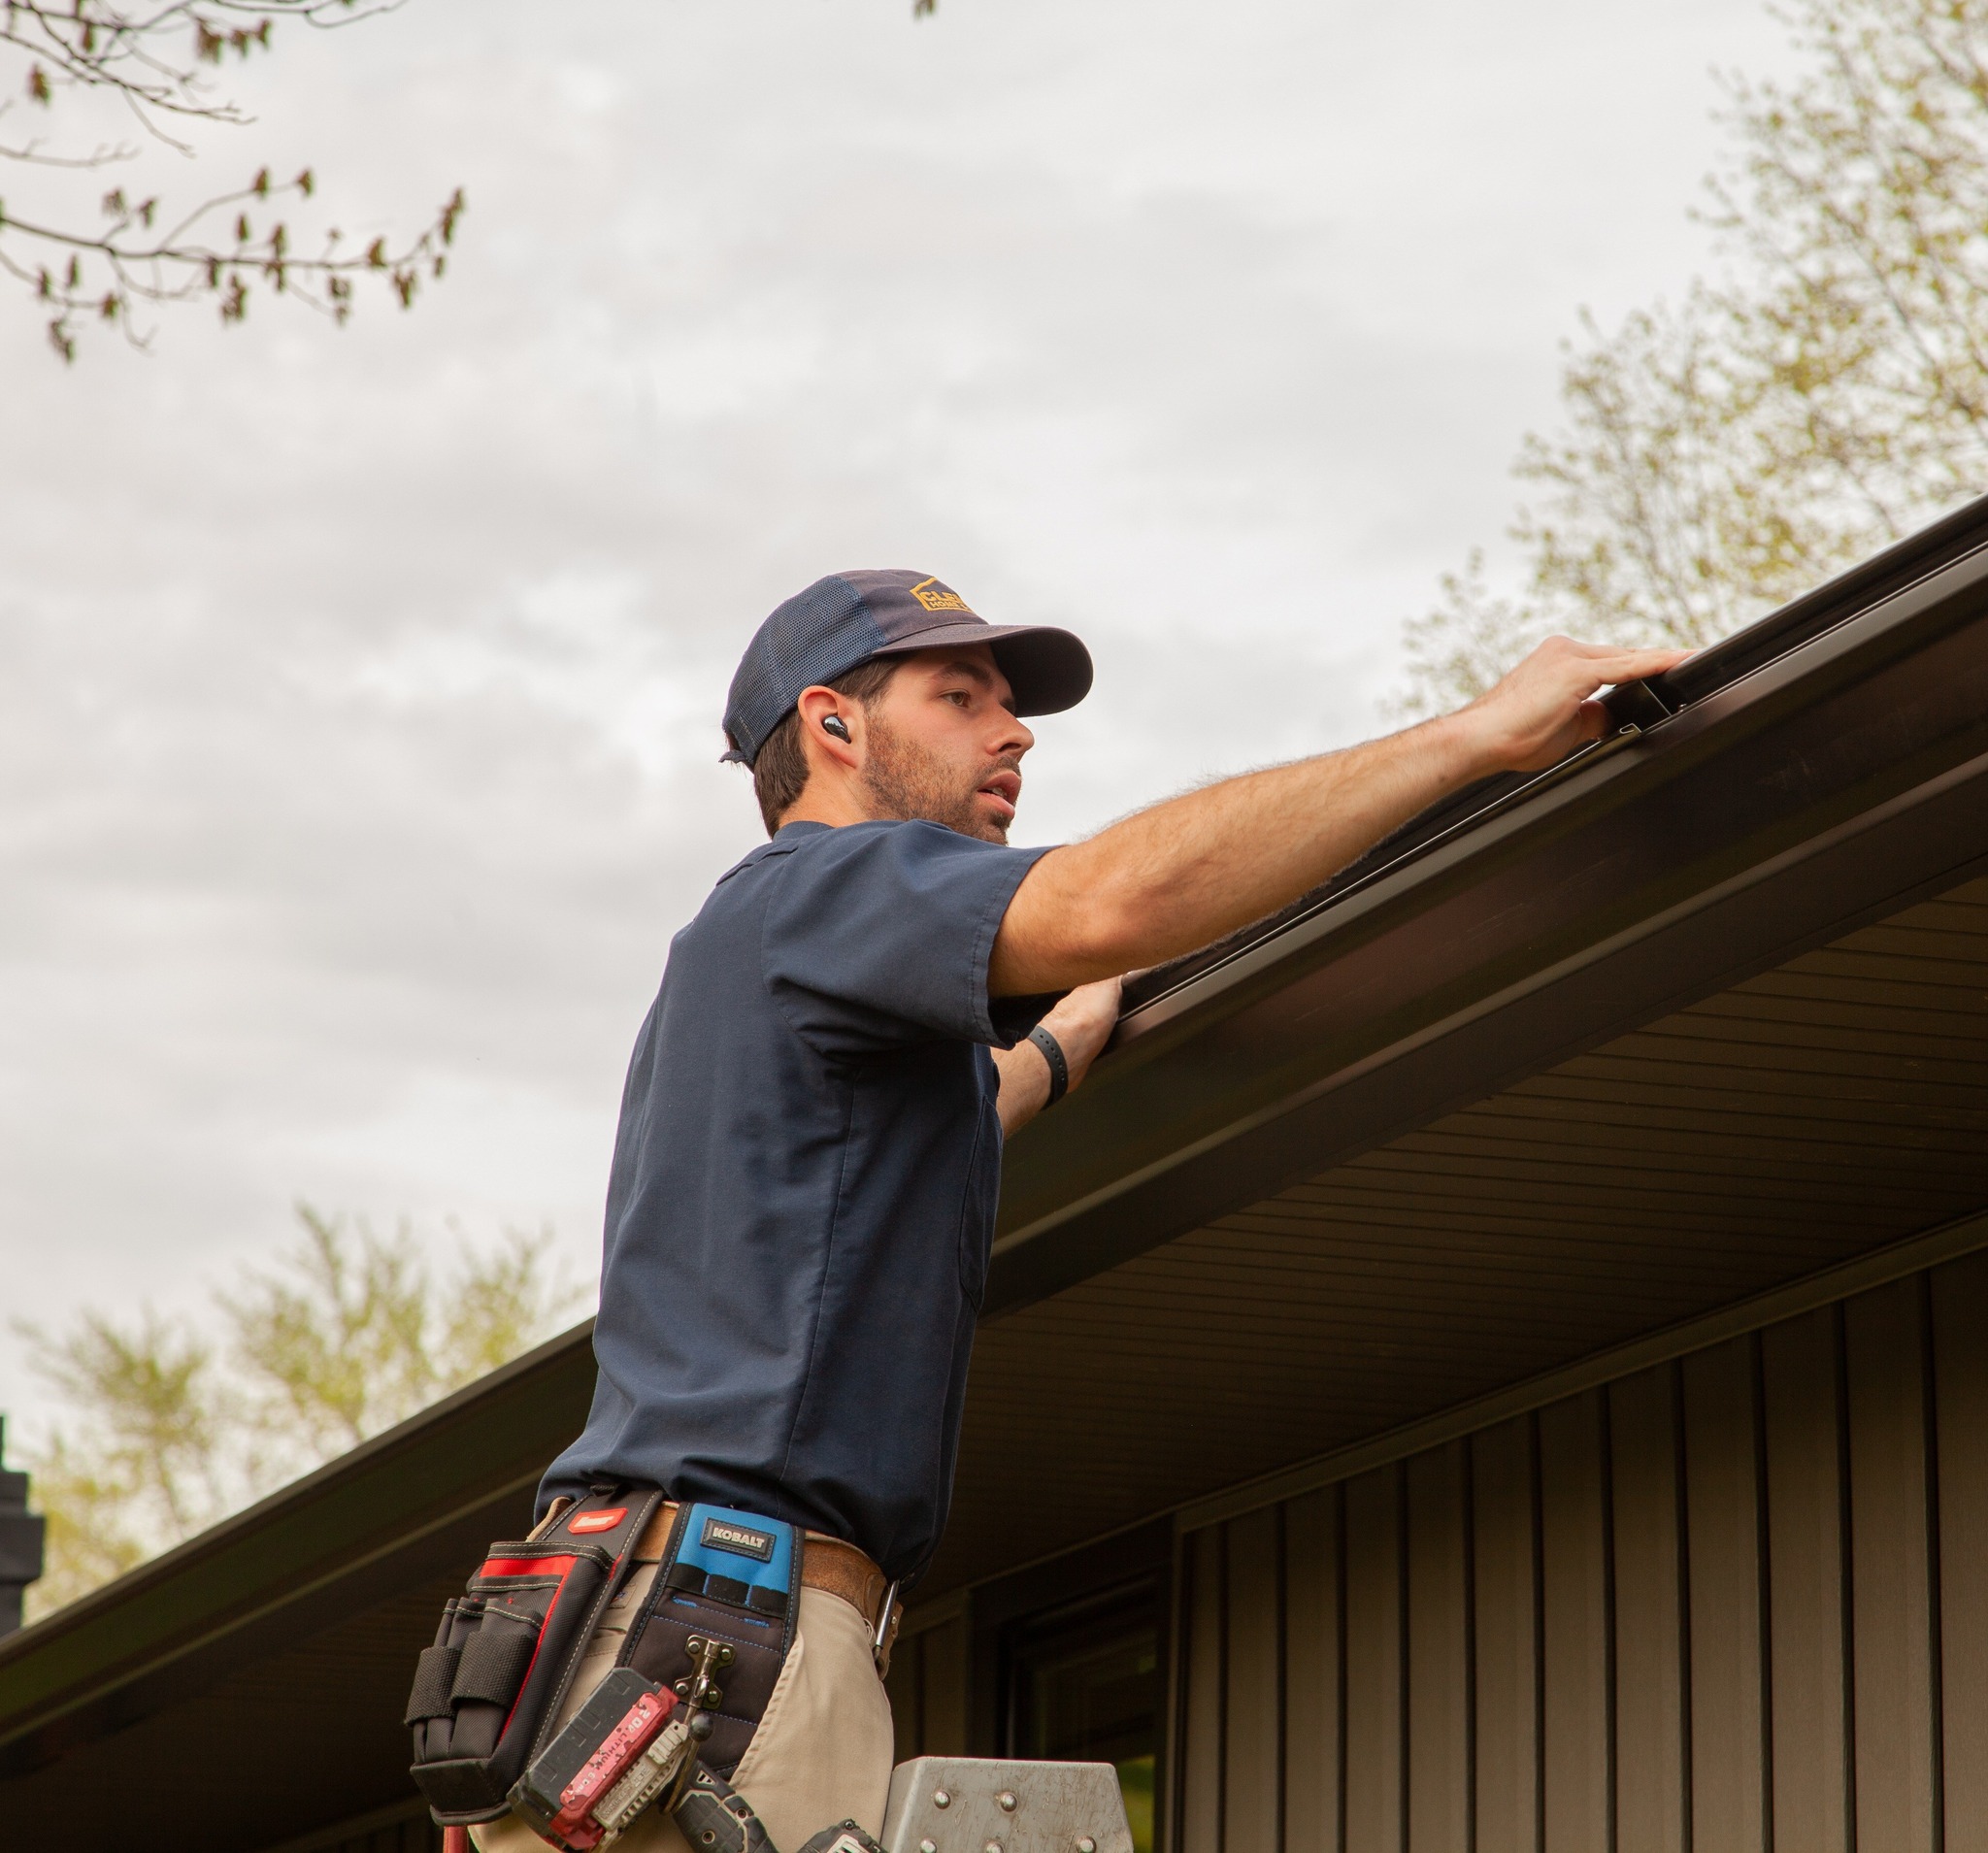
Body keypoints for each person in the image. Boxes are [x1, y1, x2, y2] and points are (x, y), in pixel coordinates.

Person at [482, 570, 1688, 1853]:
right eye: (960, 698)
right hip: (716, 1636)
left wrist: (1061, 1040)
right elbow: (1114, 898)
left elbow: (929, 1126)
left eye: (1009, 705)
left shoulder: (750, 954)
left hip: (649, 1628)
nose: (1014, 734)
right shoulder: (824, 883)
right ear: (833, 724)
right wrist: (1479, 735)